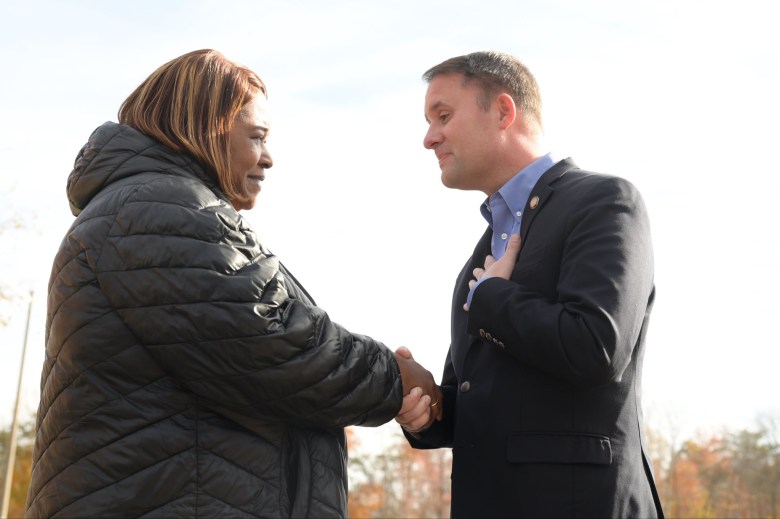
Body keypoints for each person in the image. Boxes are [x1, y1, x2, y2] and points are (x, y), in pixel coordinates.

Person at [25, 49, 439, 518]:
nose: (268, 158)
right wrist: (395, 377)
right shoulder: (160, 208)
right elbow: (276, 346)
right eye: (256, 137)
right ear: (204, 128)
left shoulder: (147, 206)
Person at [395, 51, 664, 518]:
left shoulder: (604, 201)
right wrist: (428, 410)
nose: (429, 138)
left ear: (503, 111)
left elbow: (596, 347)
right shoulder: (479, 255)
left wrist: (493, 298)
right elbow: (475, 402)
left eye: (443, 116)